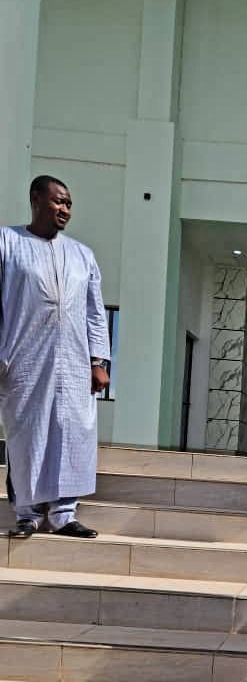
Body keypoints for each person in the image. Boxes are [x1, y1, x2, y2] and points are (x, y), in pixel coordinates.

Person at [1, 175, 110, 539]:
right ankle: (27, 514)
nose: (65, 209)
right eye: (58, 202)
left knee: (71, 433)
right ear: (35, 200)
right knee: (26, 435)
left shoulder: (82, 255)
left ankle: (64, 514)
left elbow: (95, 312)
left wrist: (99, 361)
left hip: (75, 364)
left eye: (68, 204)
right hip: (22, 362)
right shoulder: (7, 242)